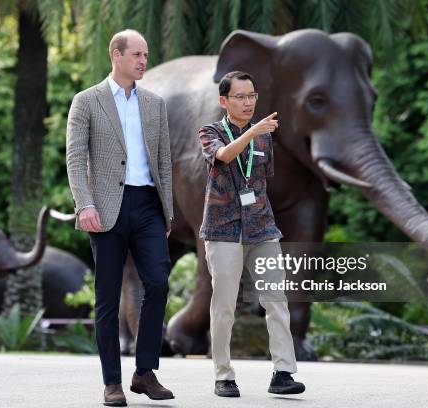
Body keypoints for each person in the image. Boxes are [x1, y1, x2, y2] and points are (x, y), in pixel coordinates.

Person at [66, 29, 174, 407]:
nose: (144, 61)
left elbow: (163, 161)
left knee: (158, 283)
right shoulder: (86, 101)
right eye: (137, 55)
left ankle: (144, 372)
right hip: (106, 207)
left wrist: (167, 211)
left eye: (146, 55)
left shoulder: (155, 103)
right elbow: (77, 159)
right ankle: (112, 382)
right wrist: (85, 204)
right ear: (116, 55)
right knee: (107, 297)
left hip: (147, 205)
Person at [198, 71, 306, 398]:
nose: (248, 102)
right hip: (223, 230)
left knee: (276, 299)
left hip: (262, 227)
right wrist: (253, 132)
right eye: (240, 97)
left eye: (252, 96)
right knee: (225, 305)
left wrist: (258, 133)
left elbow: (260, 181)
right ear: (224, 101)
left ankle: (283, 372)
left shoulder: (264, 137)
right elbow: (224, 156)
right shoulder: (210, 131)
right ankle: (223, 375)